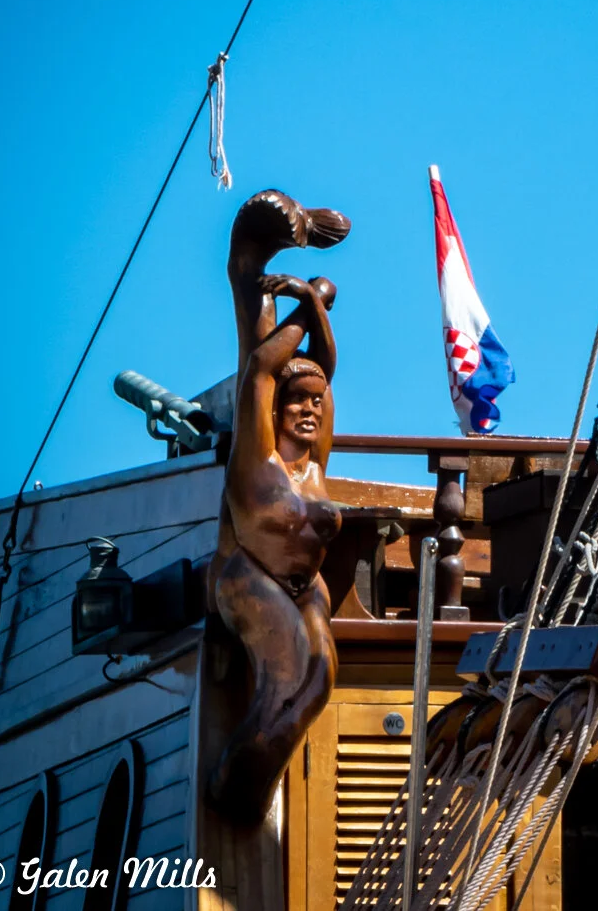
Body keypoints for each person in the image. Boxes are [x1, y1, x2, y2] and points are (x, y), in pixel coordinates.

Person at [207, 189, 351, 822]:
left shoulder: (313, 467)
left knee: (319, 680)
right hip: (249, 574)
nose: (312, 406)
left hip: (303, 582)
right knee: (287, 683)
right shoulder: (257, 456)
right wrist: (302, 300)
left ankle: (248, 794)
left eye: (318, 402)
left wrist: (316, 299)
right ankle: (234, 796)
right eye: (300, 401)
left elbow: (324, 363)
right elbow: (264, 366)